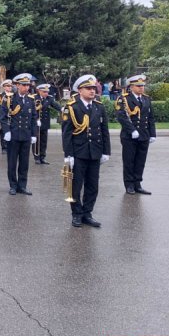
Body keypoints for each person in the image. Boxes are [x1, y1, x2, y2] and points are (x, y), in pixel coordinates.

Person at [62, 75, 110, 228]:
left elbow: (104, 130)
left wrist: (106, 151)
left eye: (94, 88)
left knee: (92, 185)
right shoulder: (71, 107)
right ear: (80, 90)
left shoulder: (98, 106)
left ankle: (87, 213)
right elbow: (67, 133)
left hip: (94, 152)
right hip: (78, 153)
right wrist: (68, 155)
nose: (92, 91)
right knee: (74, 186)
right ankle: (76, 214)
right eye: (88, 88)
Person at [115, 74, 156, 195]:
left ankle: (137, 184)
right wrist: (132, 130)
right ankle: (129, 185)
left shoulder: (146, 99)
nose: (141, 88)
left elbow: (151, 118)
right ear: (131, 87)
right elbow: (121, 116)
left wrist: (152, 134)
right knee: (129, 161)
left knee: (140, 161)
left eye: (142, 86)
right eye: (138, 86)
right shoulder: (123, 99)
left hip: (144, 135)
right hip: (129, 136)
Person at [1, 73, 38, 195]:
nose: (26, 87)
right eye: (23, 85)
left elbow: (33, 118)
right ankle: (13, 185)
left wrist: (33, 134)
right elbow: (3, 117)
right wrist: (6, 131)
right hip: (14, 135)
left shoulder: (30, 100)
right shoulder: (9, 99)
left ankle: (22, 186)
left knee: (24, 163)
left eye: (27, 85)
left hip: (26, 135)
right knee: (12, 162)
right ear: (17, 85)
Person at [33, 83, 62, 165]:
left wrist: (62, 109)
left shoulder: (49, 98)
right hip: (37, 123)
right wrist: (36, 120)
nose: (46, 93)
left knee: (44, 141)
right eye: (44, 92)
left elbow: (55, 105)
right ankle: (37, 157)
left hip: (45, 123)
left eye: (47, 92)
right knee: (37, 141)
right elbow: (32, 111)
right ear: (39, 91)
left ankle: (43, 157)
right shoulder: (34, 98)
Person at [0, 80, 14, 154]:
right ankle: (4, 147)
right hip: (3, 116)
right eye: (7, 86)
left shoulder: (14, 95)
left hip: (11, 116)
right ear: (4, 87)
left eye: (10, 86)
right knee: (3, 131)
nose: (9, 87)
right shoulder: (0, 95)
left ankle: (10, 146)